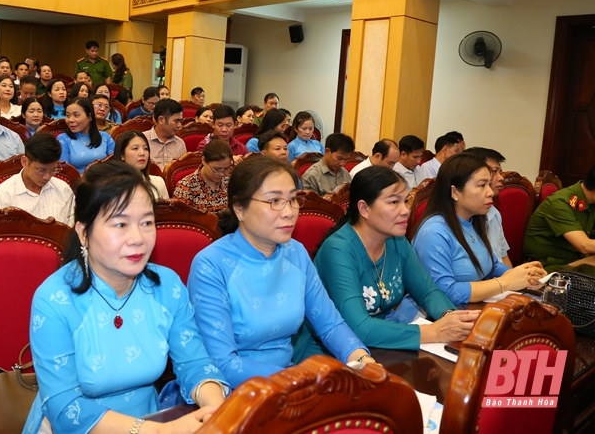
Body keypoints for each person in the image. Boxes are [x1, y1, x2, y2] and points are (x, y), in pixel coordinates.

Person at [23, 161, 227, 434]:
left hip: (152, 420)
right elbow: (65, 406)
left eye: (146, 222)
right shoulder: (55, 299)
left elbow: (194, 362)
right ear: (84, 232)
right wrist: (153, 431)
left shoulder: (166, 285)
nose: (138, 238)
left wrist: (214, 410)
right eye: (120, 224)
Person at [188, 155, 373, 389]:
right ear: (239, 209)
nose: (289, 212)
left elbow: (330, 325)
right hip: (234, 391)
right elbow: (222, 363)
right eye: (275, 201)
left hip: (291, 383)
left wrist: (362, 359)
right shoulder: (211, 264)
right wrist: (299, 378)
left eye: (293, 199)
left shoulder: (295, 253)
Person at [292, 166, 478, 357]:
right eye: (394, 202)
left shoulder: (396, 240)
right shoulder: (338, 250)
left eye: (405, 201)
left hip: (383, 341)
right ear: (364, 208)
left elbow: (427, 291)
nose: (405, 210)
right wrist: (436, 332)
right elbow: (359, 327)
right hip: (333, 351)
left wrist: (449, 317)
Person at [412, 154, 546, 306]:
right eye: (482, 185)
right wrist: (505, 283)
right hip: (436, 316)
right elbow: (444, 292)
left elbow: (492, 265)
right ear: (455, 192)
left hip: (472, 308)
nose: (490, 192)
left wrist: (522, 274)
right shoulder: (434, 231)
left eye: (489, 184)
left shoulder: (476, 220)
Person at [0, 133, 75, 227]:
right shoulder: (1, 195)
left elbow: (72, 228)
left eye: (53, 170)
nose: (47, 177)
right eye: (41, 170)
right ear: (24, 162)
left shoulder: (63, 189)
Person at [524, 163, 595, 270]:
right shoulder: (560, 202)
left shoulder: (591, 201)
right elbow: (584, 245)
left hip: (577, 260)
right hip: (548, 268)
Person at [466, 147, 512, 267]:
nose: (501, 177)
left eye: (500, 172)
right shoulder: (459, 220)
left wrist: (516, 280)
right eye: (494, 171)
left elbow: (502, 257)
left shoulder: (494, 213)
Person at [173, 139, 232, 213]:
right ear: (204, 160)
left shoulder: (229, 180)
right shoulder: (186, 186)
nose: (221, 174)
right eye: (217, 169)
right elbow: (181, 221)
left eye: (226, 169)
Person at [58, 97, 115, 174]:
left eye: (76, 115)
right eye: (67, 115)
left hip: (105, 181)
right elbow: (64, 171)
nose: (70, 120)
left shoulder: (105, 137)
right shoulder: (63, 139)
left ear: (90, 116)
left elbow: (115, 165)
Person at [114, 130, 169, 199]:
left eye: (145, 148)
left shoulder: (158, 182)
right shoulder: (111, 187)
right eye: (135, 148)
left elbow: (166, 209)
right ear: (122, 155)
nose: (142, 153)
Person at [301, 132, 354, 197]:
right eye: (339, 158)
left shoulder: (345, 173)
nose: (342, 164)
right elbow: (309, 205)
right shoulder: (311, 176)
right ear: (327, 151)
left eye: (346, 159)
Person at [144, 99, 186, 170]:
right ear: (161, 120)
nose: (179, 125)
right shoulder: (143, 140)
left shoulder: (180, 143)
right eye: (176, 121)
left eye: (180, 121)